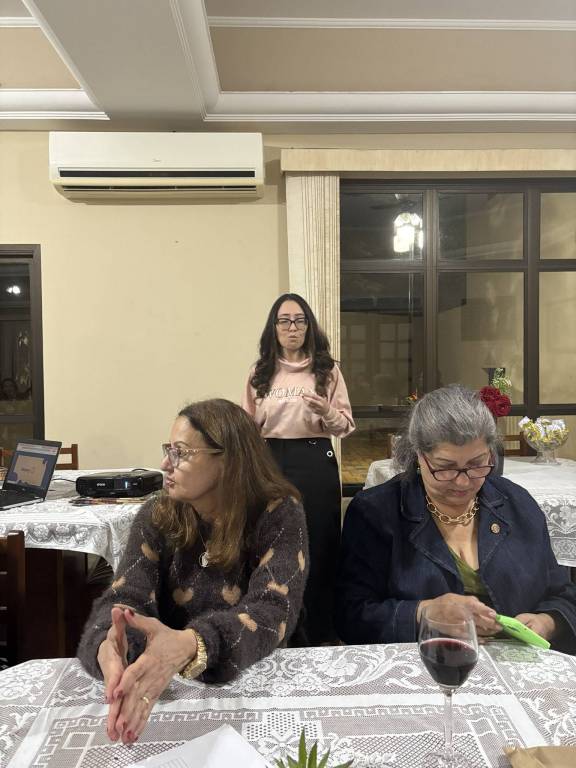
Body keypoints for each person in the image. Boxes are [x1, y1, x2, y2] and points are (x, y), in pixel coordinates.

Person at [77, 399, 308, 744]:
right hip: (174, 692)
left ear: (227, 461)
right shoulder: (157, 514)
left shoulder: (278, 513)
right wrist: (110, 643)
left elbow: (272, 612)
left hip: (257, 687)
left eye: (181, 453)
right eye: (168, 450)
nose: (165, 464)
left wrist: (192, 643)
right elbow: (126, 596)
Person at [335, 384, 576, 652]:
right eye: (445, 468)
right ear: (419, 456)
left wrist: (548, 621)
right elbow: (350, 615)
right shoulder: (377, 513)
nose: (463, 482)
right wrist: (424, 612)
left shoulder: (516, 504)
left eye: (477, 464)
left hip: (517, 665)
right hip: (424, 664)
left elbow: (562, 593)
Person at [242, 293, 354, 645]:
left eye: (299, 320)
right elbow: (246, 428)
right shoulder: (260, 372)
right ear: (274, 328)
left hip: (314, 458)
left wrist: (326, 411)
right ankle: (272, 626)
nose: (292, 328)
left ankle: (319, 630)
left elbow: (345, 426)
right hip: (269, 461)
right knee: (269, 541)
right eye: (285, 321)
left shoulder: (327, 370)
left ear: (309, 326)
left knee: (319, 543)